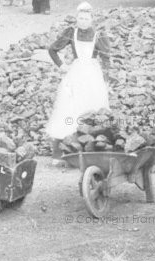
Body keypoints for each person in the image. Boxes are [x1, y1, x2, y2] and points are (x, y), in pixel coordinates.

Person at [46, 2, 110, 164]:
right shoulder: (71, 33)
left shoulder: (99, 35)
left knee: (92, 109)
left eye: (86, 18)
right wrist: (62, 66)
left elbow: (106, 59)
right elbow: (52, 49)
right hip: (75, 73)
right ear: (77, 19)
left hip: (93, 75)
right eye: (80, 18)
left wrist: (106, 80)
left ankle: (91, 152)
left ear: (91, 19)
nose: (82, 21)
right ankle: (61, 152)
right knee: (69, 109)